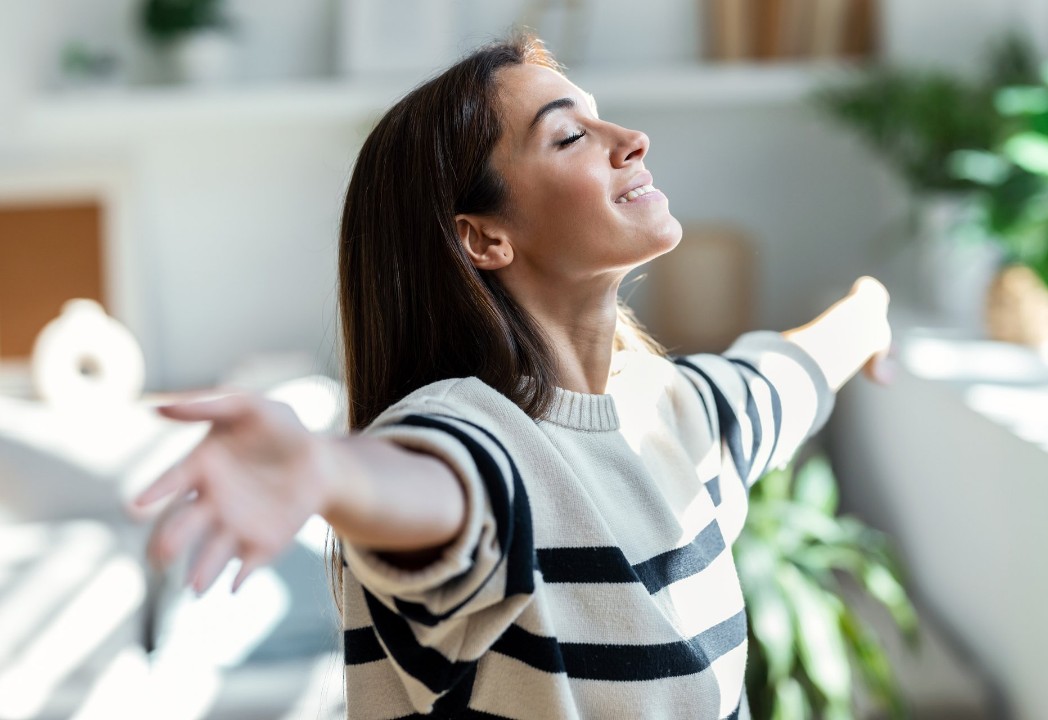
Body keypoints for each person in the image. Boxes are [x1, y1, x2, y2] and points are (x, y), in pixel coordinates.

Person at [133, 34, 893, 720]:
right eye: (570, 135)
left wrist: (869, 313)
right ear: (483, 237)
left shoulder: (678, 411)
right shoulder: (474, 435)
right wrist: (326, 469)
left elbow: (791, 367)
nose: (630, 141)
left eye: (601, 120)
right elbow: (434, 486)